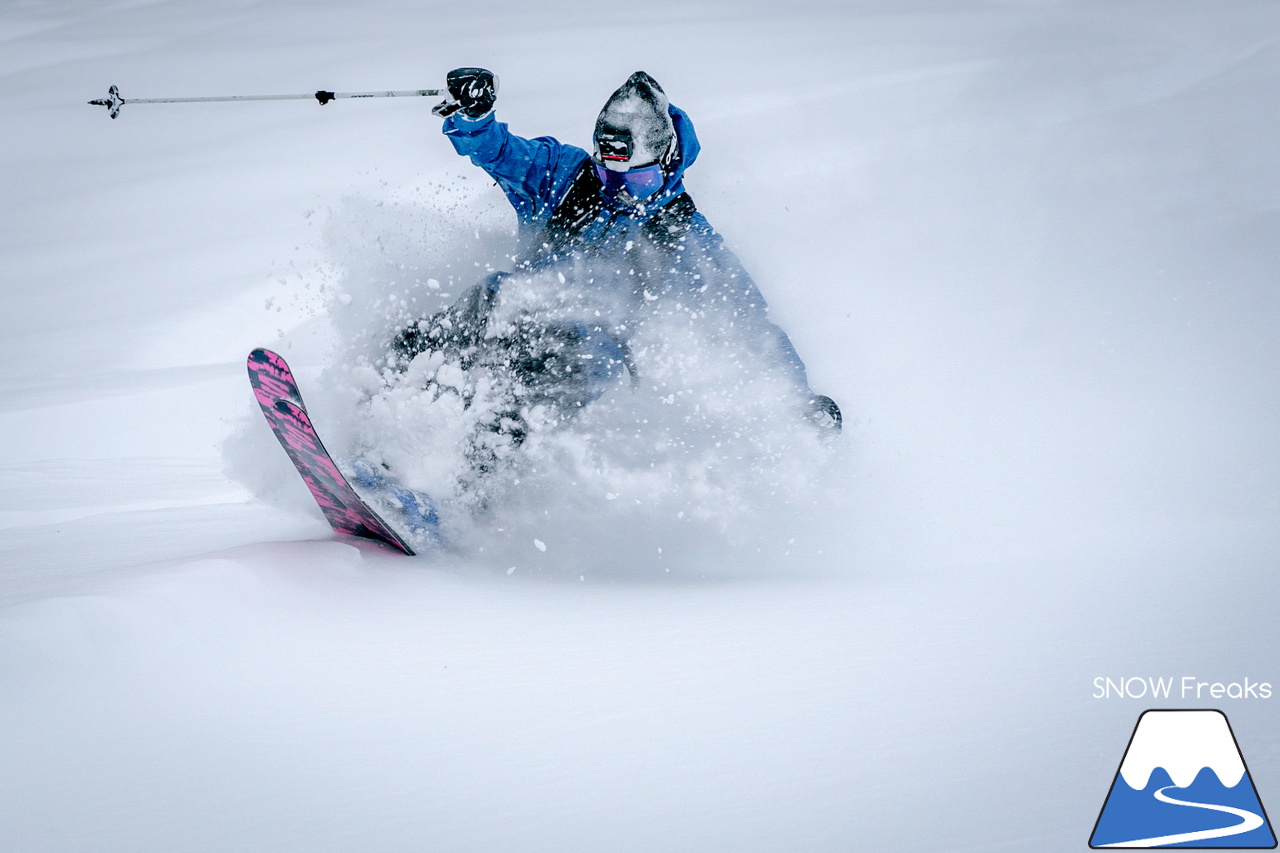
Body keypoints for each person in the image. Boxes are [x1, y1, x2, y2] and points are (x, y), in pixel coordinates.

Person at [392, 68, 841, 434]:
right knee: (494, 292)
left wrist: (796, 401)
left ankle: (483, 464)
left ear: (666, 165)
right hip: (519, 317)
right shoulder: (564, 176)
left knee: (595, 360)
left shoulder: (682, 235)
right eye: (608, 175)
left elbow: (747, 322)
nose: (618, 191)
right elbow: (502, 153)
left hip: (583, 352)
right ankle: (394, 388)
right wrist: (476, 120)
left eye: (635, 180)